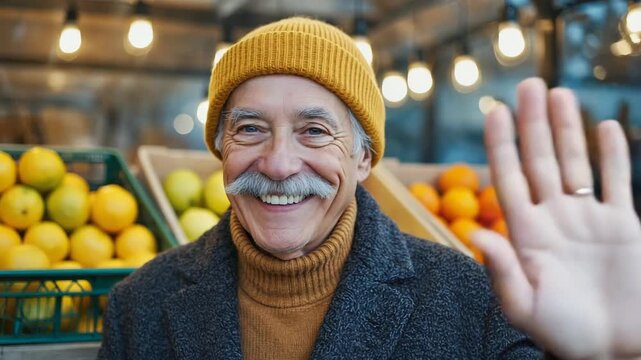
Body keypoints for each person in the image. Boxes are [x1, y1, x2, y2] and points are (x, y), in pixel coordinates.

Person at [98, 17, 641, 359]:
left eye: (314, 131)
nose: (280, 163)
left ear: (363, 158)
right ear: (221, 150)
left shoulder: (469, 299)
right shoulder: (139, 306)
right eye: (249, 128)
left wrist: (610, 354)